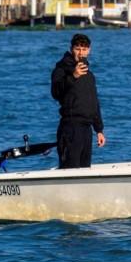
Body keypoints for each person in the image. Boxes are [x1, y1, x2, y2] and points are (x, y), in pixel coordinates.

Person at [51, 33, 106, 168]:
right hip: (70, 128)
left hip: (86, 129)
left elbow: (94, 102)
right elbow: (56, 93)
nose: (81, 52)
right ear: (71, 49)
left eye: (84, 49)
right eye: (78, 49)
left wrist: (99, 129)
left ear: (89, 51)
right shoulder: (61, 69)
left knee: (85, 170)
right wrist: (73, 76)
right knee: (70, 169)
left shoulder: (89, 75)